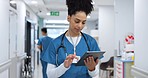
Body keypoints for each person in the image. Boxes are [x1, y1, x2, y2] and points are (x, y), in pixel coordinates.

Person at [43, 0, 101, 78]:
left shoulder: (91, 42)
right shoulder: (55, 43)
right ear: (68, 18)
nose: (80, 26)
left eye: (83, 22)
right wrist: (64, 66)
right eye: (77, 21)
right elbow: (50, 75)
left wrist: (92, 69)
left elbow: (95, 74)